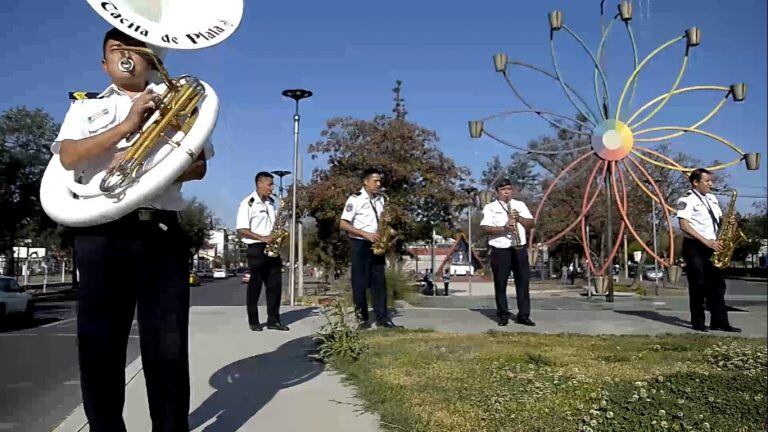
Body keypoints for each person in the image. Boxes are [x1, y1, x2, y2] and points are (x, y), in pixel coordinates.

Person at [51, 28, 213, 431]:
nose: (126, 55)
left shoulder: (177, 103)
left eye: (136, 48)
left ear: (151, 56)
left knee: (169, 348)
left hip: (161, 234)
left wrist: (156, 159)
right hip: (101, 233)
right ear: (104, 63)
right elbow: (69, 156)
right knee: (99, 348)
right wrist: (127, 125)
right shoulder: (85, 107)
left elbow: (198, 166)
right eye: (115, 49)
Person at [676, 168, 740, 333]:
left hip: (713, 245)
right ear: (695, 183)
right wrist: (706, 242)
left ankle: (719, 321)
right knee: (698, 285)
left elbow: (720, 220)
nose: (711, 184)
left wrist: (729, 221)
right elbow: (684, 226)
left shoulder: (712, 198)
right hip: (695, 246)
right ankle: (698, 322)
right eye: (707, 181)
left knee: (718, 285)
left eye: (711, 181)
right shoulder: (686, 199)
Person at [340, 168, 400, 329]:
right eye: (375, 181)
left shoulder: (380, 200)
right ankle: (362, 319)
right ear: (365, 182)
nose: (378, 184)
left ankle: (382, 318)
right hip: (360, 244)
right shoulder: (355, 199)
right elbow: (344, 224)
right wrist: (365, 234)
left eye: (380, 181)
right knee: (359, 283)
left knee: (379, 283)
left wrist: (386, 223)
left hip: (377, 243)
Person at [236, 172, 289, 332]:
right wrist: (262, 237)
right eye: (269, 185)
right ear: (259, 184)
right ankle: (254, 321)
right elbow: (241, 229)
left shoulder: (271, 203)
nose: (272, 188)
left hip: (273, 248)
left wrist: (279, 231)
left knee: (275, 286)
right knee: (255, 285)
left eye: (272, 185)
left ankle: (274, 320)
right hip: (257, 248)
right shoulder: (248, 203)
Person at [480, 179, 535, 327]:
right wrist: (504, 228)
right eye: (504, 189)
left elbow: (531, 224)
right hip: (500, 249)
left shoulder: (519, 205)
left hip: (519, 247)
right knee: (501, 283)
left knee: (523, 283)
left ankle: (524, 315)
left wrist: (519, 218)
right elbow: (485, 228)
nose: (507, 192)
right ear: (497, 191)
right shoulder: (490, 207)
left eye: (509, 189)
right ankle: (502, 315)